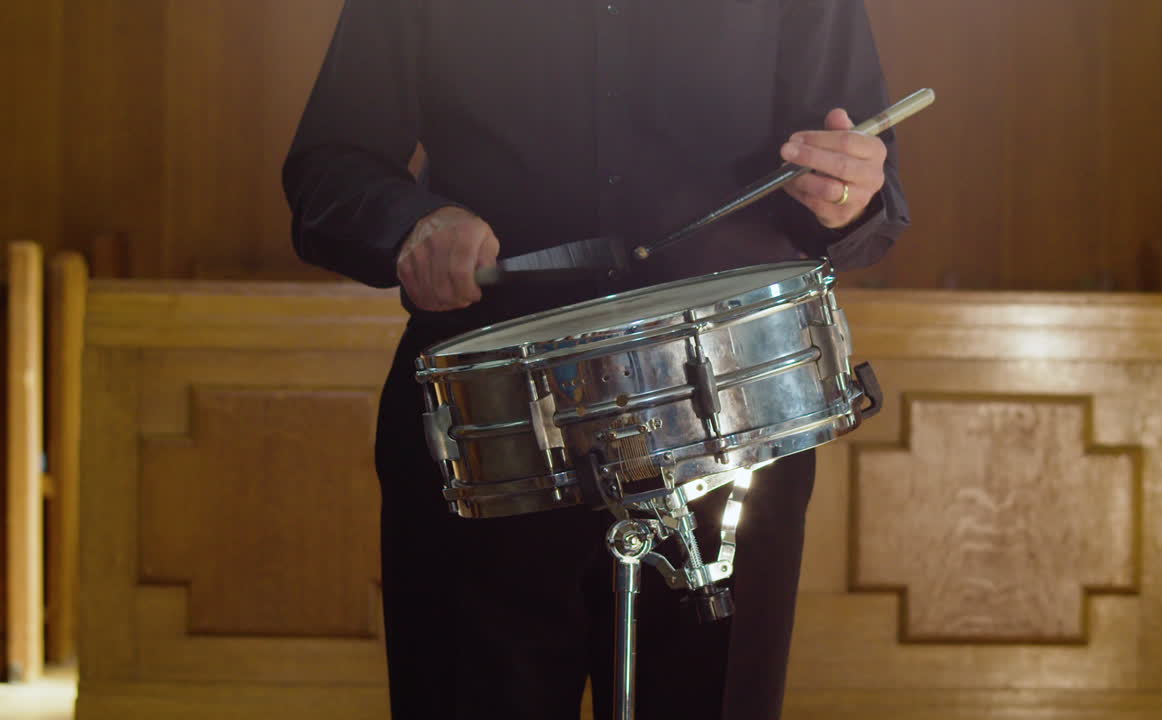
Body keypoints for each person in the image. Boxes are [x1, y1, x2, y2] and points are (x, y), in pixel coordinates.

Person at [284, 1, 909, 718]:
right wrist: (413, 223)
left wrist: (850, 193)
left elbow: (869, 189)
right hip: (488, 427)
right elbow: (328, 166)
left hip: (734, 416)